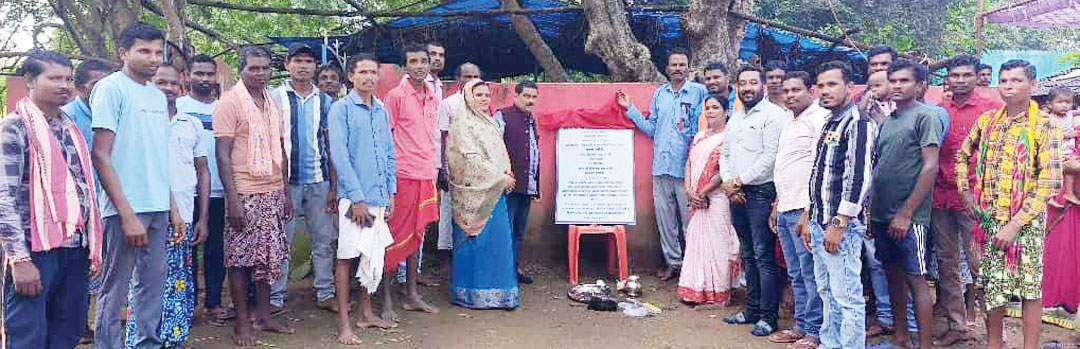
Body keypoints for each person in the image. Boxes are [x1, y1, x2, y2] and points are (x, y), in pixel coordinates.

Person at [955, 59, 1063, 349]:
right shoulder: (988, 122)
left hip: (1025, 223)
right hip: (990, 220)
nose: (1008, 86)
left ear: (1033, 85)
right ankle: (994, 344)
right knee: (992, 285)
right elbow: (962, 156)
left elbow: (1050, 182)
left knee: (1029, 287)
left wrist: (1015, 224)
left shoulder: (1045, 125)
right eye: (1004, 81)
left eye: (1016, 80)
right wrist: (966, 195)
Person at [0, 50, 103, 349]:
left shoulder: (69, 127)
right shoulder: (14, 127)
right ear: (30, 80)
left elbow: (83, 186)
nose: (64, 85)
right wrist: (20, 260)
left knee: (67, 331)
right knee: (28, 333)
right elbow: (4, 196)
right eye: (54, 78)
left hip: (74, 247)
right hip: (35, 249)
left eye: (69, 79)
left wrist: (92, 242)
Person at [91, 23, 178, 349]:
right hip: (123, 209)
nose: (153, 58)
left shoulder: (157, 95)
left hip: (157, 207)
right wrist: (126, 214)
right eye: (144, 50)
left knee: (152, 284)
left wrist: (172, 208)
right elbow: (101, 155)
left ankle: (146, 344)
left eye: (158, 51)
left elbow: (155, 157)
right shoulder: (111, 88)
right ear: (123, 52)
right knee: (114, 289)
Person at [213, 45, 295, 346]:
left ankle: (264, 315)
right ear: (241, 69)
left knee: (267, 257)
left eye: (264, 68)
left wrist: (285, 192)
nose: (260, 74)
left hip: (272, 190)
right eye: (253, 68)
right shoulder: (230, 102)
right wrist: (232, 199)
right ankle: (242, 323)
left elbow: (281, 149)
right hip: (244, 191)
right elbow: (222, 155)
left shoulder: (271, 101)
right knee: (239, 260)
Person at [125, 62, 207, 348]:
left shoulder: (191, 123)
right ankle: (142, 339)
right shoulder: (137, 119)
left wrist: (202, 217)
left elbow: (202, 170)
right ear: (150, 83)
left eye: (173, 83)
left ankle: (173, 338)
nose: (168, 88)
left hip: (183, 213)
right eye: (162, 82)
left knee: (179, 280)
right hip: (147, 214)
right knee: (146, 281)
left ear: (181, 86)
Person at [799, 60, 877, 349]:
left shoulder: (858, 124)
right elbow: (821, 175)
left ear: (849, 87)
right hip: (820, 221)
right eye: (821, 85)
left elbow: (858, 179)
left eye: (832, 84)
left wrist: (840, 223)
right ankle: (830, 343)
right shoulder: (830, 123)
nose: (825, 91)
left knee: (847, 295)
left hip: (840, 226)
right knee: (827, 291)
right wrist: (809, 215)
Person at [616, 48, 708, 281]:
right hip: (661, 168)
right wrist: (630, 109)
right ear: (667, 69)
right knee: (665, 221)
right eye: (674, 64)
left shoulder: (700, 93)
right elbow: (651, 129)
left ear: (689, 68)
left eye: (682, 64)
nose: (678, 68)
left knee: (691, 222)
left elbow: (706, 128)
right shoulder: (660, 94)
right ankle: (673, 264)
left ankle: (694, 268)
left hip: (687, 170)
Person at [869, 59, 942, 349]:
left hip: (910, 217)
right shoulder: (886, 122)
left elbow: (930, 167)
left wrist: (907, 212)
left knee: (916, 279)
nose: (897, 86)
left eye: (904, 81)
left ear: (920, 86)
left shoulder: (926, 117)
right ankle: (900, 337)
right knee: (893, 276)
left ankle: (924, 344)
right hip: (882, 214)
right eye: (894, 81)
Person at [328, 53, 399, 345]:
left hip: (379, 197)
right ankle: (345, 324)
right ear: (351, 76)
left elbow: (389, 153)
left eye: (373, 72)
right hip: (354, 200)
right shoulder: (340, 110)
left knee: (372, 256)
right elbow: (340, 158)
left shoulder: (380, 110)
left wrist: (391, 192)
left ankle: (366, 314)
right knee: (347, 257)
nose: (369, 77)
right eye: (363, 72)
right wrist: (357, 199)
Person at [932, 54, 1002, 346]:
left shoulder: (993, 110)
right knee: (946, 264)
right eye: (955, 75)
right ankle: (957, 326)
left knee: (981, 264)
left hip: (976, 198)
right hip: (941, 197)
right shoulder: (937, 111)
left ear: (976, 77)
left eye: (966, 75)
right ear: (947, 78)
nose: (960, 80)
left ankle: (994, 333)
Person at [719, 64, 789, 336]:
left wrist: (739, 181)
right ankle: (751, 310)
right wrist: (728, 183)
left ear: (762, 85)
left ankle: (768, 317)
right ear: (737, 87)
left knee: (763, 256)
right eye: (743, 83)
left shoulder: (774, 116)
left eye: (752, 83)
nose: (747, 88)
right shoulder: (735, 118)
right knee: (748, 254)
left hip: (760, 194)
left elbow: (770, 157)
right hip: (735, 195)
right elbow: (725, 155)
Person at [270, 43, 339, 314]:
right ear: (287, 64)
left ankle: (325, 292)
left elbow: (332, 145)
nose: (303, 66)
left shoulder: (326, 101)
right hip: (285, 182)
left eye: (308, 61)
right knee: (281, 239)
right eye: (297, 60)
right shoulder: (274, 98)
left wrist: (334, 187)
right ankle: (275, 296)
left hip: (319, 180)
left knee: (323, 240)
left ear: (315, 67)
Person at [445, 79, 521, 309]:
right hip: (474, 194)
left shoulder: (489, 123)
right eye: (478, 95)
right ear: (468, 97)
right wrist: (500, 177)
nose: (484, 99)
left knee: (496, 243)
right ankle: (470, 294)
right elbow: (468, 159)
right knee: (476, 243)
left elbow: (499, 153)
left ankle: (500, 295)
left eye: (487, 95)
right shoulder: (462, 125)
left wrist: (506, 174)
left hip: (494, 194)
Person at [768, 71, 829, 349]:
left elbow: (819, 167)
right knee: (796, 274)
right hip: (785, 206)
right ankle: (802, 325)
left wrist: (808, 211)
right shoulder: (790, 120)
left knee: (810, 273)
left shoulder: (819, 119)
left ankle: (815, 331)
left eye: (796, 90)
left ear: (811, 91)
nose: (790, 95)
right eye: (786, 91)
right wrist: (777, 204)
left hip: (804, 210)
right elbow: (786, 165)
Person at [383, 42, 441, 319]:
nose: (419, 66)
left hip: (426, 174)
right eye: (413, 61)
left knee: (417, 236)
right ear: (404, 67)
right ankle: (385, 300)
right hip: (402, 175)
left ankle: (412, 295)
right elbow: (384, 138)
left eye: (423, 61)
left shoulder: (432, 95)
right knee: (392, 237)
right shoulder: (395, 96)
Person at [177, 53, 234, 325]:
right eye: (198, 73)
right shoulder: (177, 106)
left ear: (216, 77)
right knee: (185, 251)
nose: (204, 79)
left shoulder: (224, 107)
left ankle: (213, 302)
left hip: (220, 190)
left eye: (209, 74)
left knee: (216, 250)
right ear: (186, 76)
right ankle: (186, 305)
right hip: (187, 191)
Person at [676, 95, 741, 308]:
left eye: (715, 108)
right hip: (696, 198)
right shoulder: (699, 137)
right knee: (696, 243)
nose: (710, 112)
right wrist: (688, 190)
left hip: (716, 198)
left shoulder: (729, 138)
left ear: (726, 112)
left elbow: (724, 171)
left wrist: (702, 193)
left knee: (718, 244)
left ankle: (720, 294)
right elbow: (688, 163)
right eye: (707, 108)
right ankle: (697, 290)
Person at [434, 63, 483, 277]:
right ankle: (446, 261)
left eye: (475, 76)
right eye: (467, 76)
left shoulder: (483, 102)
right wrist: (441, 169)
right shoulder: (448, 104)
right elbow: (441, 138)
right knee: (447, 214)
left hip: (475, 171)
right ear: (457, 78)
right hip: (452, 169)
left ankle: (468, 259)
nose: (471, 79)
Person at [494, 80, 540, 285]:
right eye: (527, 96)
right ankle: (501, 272)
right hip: (508, 185)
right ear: (516, 96)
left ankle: (513, 269)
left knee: (519, 230)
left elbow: (534, 153)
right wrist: (502, 176)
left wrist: (535, 184)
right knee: (505, 229)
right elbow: (494, 148)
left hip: (527, 185)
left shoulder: (531, 119)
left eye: (534, 97)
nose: (530, 100)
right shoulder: (502, 116)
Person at [62, 59, 115, 145]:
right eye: (96, 84)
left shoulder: (118, 112)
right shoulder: (66, 117)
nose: (104, 88)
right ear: (80, 88)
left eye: (109, 84)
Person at [1045, 87, 1078, 206]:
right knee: (1054, 173)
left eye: (1068, 102)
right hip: (1056, 150)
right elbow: (1049, 135)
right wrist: (1068, 135)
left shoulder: (1069, 114)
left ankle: (1069, 193)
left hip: (1069, 150)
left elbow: (1077, 112)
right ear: (1050, 104)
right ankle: (1050, 196)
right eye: (1060, 102)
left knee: (1070, 172)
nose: (1064, 105)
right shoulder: (1049, 118)